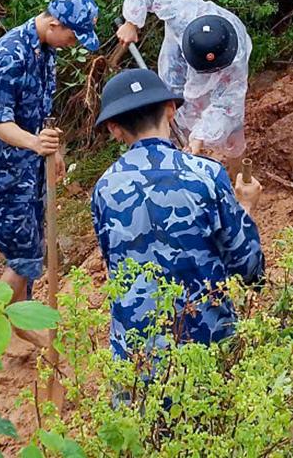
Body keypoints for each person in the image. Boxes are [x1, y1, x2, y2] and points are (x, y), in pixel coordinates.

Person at [90, 68, 264, 360]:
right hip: (207, 347)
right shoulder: (206, 175)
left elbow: (113, 262)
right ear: (171, 110)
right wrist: (246, 206)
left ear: (114, 128)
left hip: (136, 357)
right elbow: (249, 269)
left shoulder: (105, 188)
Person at [0, 0, 99, 305]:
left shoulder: (47, 52)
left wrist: (53, 150)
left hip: (31, 169)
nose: (74, 44)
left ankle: (17, 330)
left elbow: (41, 113)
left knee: (30, 249)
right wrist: (35, 143)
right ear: (54, 23)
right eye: (72, 36)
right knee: (24, 255)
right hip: (4, 170)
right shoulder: (10, 53)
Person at [115, 0, 252, 163]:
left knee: (230, 132)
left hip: (221, 79)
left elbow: (227, 107)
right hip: (174, 65)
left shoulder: (234, 61)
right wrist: (132, 23)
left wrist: (200, 137)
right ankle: (176, 160)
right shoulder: (184, 12)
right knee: (172, 109)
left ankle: (238, 174)